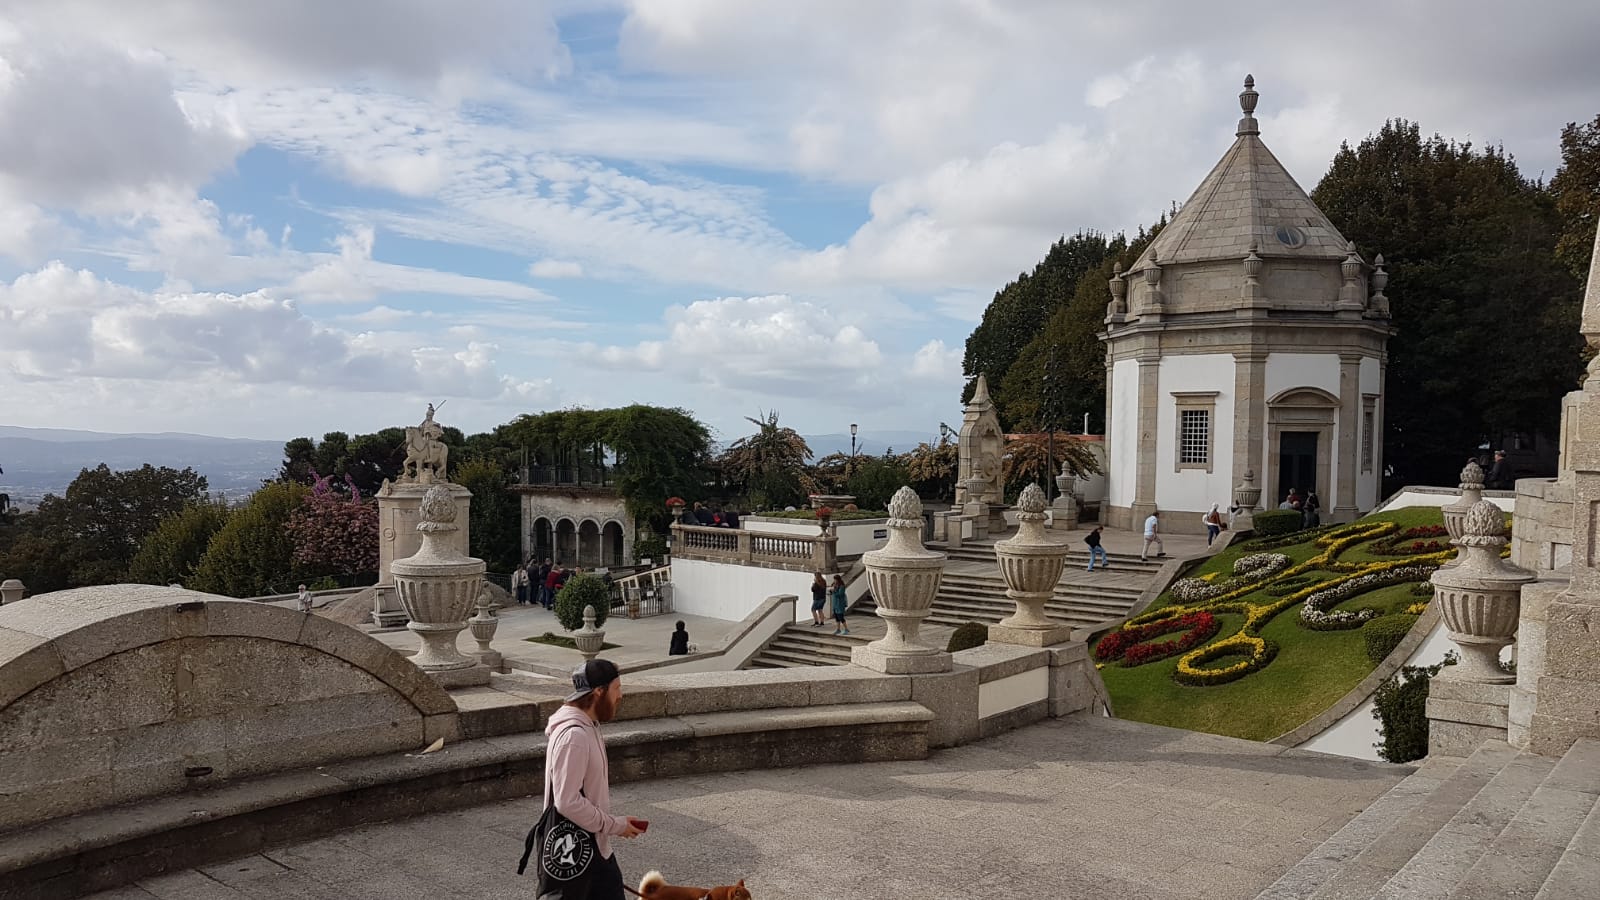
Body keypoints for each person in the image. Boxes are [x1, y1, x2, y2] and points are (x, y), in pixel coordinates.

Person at [539, 659, 647, 899]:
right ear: (599, 691)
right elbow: (567, 802)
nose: (620, 696)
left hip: (593, 847)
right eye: (617, 688)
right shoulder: (575, 736)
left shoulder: (589, 726)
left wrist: (615, 825)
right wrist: (615, 825)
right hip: (578, 853)